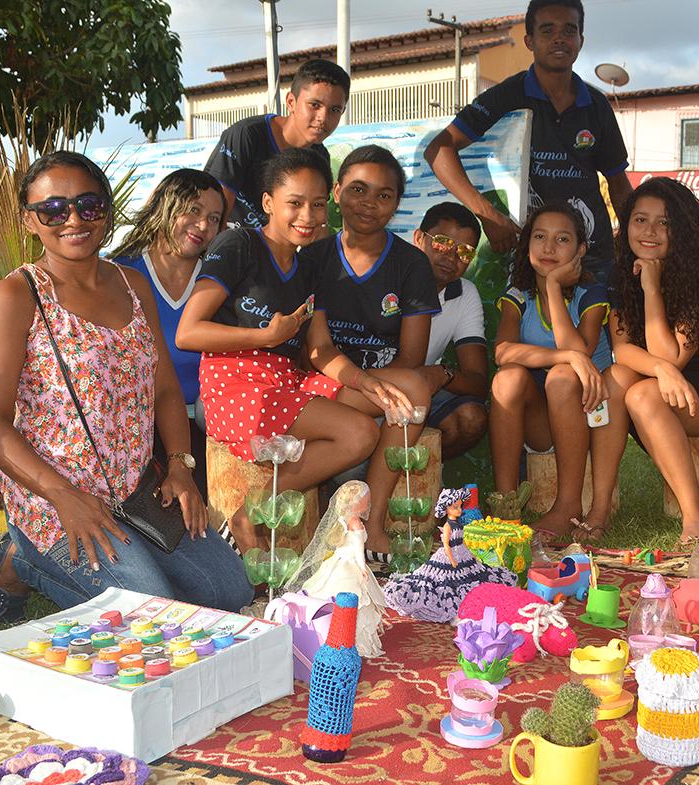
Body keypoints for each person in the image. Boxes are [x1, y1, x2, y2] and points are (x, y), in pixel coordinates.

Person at [0, 151, 252, 625]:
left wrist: (181, 468)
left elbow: (165, 389)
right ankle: (21, 559)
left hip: (139, 494)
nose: (74, 220)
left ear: (107, 209)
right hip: (55, 500)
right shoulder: (16, 296)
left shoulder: (132, 283)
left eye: (88, 205)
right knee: (152, 617)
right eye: (53, 211)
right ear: (29, 222)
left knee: (230, 590)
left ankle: (111, 558)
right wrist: (63, 496)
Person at [178, 148, 405, 554]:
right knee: (358, 433)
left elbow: (319, 349)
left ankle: (367, 526)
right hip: (236, 385)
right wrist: (264, 337)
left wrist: (366, 381)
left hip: (286, 379)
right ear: (268, 203)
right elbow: (188, 332)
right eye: (295, 204)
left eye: (318, 205)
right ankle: (251, 513)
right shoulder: (240, 244)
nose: (308, 216)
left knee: (395, 399)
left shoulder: (307, 268)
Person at [592, 177, 699, 546]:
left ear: (682, 229)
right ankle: (600, 508)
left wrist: (651, 287)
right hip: (671, 379)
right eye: (640, 220)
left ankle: (694, 515)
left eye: (664, 222)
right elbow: (622, 349)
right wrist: (662, 370)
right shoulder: (621, 272)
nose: (649, 231)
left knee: (642, 396)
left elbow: (671, 354)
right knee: (616, 377)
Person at [424, 0, 632, 283]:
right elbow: (438, 149)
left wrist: (635, 248)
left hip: (592, 259)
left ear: (581, 40)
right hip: (532, 262)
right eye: (547, 31)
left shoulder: (596, 105)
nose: (559, 38)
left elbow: (619, 185)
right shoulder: (507, 96)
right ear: (529, 41)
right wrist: (489, 215)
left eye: (569, 30)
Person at [302, 144, 437, 553]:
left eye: (384, 195)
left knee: (412, 385)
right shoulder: (313, 257)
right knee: (412, 391)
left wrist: (372, 394)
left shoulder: (411, 265)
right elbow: (314, 349)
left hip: (375, 393)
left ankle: (371, 524)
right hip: (319, 382)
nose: (370, 204)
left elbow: (411, 358)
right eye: (358, 190)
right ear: (337, 191)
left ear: (397, 203)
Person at [489, 202, 616, 544]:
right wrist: (567, 357)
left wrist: (555, 287)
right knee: (507, 378)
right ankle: (506, 505)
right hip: (543, 422)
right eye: (540, 237)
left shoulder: (591, 293)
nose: (548, 247)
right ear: (527, 244)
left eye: (562, 240)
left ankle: (568, 504)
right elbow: (503, 352)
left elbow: (580, 351)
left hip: (592, 421)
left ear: (581, 250)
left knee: (562, 376)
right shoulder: (518, 294)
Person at [112, 169, 226, 494]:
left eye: (214, 218)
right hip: (135, 430)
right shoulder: (119, 273)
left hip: (210, 429)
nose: (203, 225)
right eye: (193, 210)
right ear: (166, 205)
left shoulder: (220, 280)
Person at [204, 59, 350, 229]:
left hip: (267, 253)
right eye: (315, 105)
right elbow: (213, 211)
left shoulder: (319, 157)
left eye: (335, 110)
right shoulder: (246, 135)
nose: (323, 118)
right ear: (291, 102)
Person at [411, 202, 489, 459]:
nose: (452, 257)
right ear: (419, 238)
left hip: (423, 390)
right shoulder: (390, 275)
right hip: (371, 386)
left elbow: (478, 381)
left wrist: (442, 374)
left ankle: (414, 483)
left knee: (471, 419)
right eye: (442, 243)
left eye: (465, 253)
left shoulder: (464, 293)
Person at [381, 486, 517, 623]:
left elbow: (461, 541)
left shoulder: (457, 524)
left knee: (474, 575)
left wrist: (468, 554)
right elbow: (446, 544)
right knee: (446, 580)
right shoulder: (447, 526)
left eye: (459, 507)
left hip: (462, 553)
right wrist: (451, 558)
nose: (459, 510)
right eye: (455, 507)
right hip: (449, 555)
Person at [283, 480, 386, 657]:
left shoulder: (342, 520)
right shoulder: (356, 524)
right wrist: (362, 568)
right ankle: (352, 640)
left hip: (337, 561)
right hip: (351, 564)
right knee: (356, 600)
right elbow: (358, 550)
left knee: (328, 591)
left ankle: (328, 633)